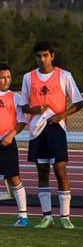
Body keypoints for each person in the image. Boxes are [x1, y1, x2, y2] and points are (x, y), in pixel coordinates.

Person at [21, 41, 83, 229]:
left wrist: (60, 116)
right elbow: (23, 105)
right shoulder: (28, 77)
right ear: (35, 57)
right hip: (37, 129)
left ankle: (65, 216)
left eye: (46, 55)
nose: (42, 59)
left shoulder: (64, 75)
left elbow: (78, 102)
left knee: (60, 169)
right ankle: (47, 216)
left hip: (57, 128)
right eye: (39, 56)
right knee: (42, 171)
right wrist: (35, 109)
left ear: (52, 56)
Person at [0, 64, 29, 227]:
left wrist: (10, 136)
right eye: (3, 77)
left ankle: (23, 216)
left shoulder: (15, 97)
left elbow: (21, 121)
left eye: (8, 77)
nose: (6, 80)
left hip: (7, 142)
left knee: (14, 178)